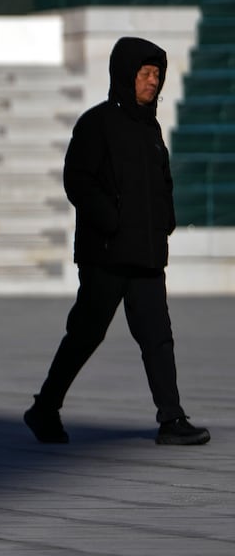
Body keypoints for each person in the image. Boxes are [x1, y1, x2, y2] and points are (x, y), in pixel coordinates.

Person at [24, 37, 211, 447]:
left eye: (157, 75)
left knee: (158, 336)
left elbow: (162, 183)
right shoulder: (97, 123)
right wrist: (111, 221)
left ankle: (172, 418)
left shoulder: (151, 128)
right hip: (106, 255)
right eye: (145, 74)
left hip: (144, 255)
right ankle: (45, 408)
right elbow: (78, 180)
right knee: (86, 334)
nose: (152, 82)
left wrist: (167, 220)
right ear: (126, 75)